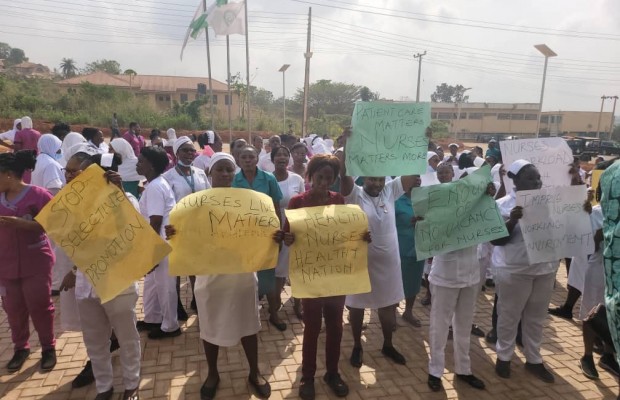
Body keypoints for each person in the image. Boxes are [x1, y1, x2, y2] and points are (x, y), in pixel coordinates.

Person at [165, 152, 272, 400]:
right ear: (210, 173)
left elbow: (260, 231)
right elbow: (186, 236)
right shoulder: (195, 204)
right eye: (220, 169)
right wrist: (174, 233)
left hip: (242, 275)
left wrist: (272, 237)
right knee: (209, 327)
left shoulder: (248, 202)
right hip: (210, 277)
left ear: (233, 174)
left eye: (228, 170)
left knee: (249, 326)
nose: (224, 174)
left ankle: (254, 372)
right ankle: (213, 373)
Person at [339, 127, 420, 368]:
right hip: (359, 265)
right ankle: (356, 345)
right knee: (356, 308)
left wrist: (418, 141)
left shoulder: (390, 191)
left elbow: (410, 171)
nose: (376, 183)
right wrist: (347, 146)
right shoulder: (354, 195)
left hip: (389, 266)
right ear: (364, 178)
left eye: (380, 179)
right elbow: (343, 175)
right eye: (373, 178)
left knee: (388, 308)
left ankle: (387, 344)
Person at [281, 154, 353, 400]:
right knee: (312, 326)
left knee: (335, 325)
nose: (324, 182)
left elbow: (345, 233)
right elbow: (287, 236)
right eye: (319, 177)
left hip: (334, 273)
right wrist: (287, 238)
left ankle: (332, 373)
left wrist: (361, 238)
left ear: (334, 180)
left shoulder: (339, 200)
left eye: (329, 178)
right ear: (310, 177)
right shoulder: (297, 202)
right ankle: (307, 377)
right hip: (309, 274)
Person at [70, 153, 142, 400]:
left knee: (127, 337)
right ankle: (104, 386)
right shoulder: (74, 203)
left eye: (84, 172)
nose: (78, 176)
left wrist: (119, 193)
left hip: (117, 280)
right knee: (95, 340)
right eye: (76, 172)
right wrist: (72, 271)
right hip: (86, 283)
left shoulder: (127, 198)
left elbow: (135, 230)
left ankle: (131, 385)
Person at [491, 160, 559, 383]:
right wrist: (512, 220)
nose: (537, 182)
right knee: (509, 315)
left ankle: (534, 359)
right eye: (530, 178)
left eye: (538, 177)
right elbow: (497, 240)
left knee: (536, 317)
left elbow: (566, 229)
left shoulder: (551, 203)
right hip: (513, 270)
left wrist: (580, 211)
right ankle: (504, 356)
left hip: (544, 269)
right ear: (515, 180)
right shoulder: (501, 205)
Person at [425, 178, 495, 392]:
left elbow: (490, 227)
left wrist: (488, 198)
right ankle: (435, 370)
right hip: (445, 276)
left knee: (464, 326)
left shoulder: (476, 212)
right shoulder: (440, 213)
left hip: (470, 276)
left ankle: (464, 369)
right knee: (440, 325)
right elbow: (431, 238)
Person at [0, 150, 57, 372]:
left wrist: (22, 224)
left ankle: (47, 347)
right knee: (13, 308)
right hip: (5, 264)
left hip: (36, 262)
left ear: (8, 175)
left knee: (40, 306)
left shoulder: (39, 195)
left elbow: (53, 223)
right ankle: (20, 348)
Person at [233, 145, 286, 331]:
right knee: (244, 276)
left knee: (268, 278)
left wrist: (278, 234)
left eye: (251, 156)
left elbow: (276, 206)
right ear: (238, 160)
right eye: (244, 157)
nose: (247, 160)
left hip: (265, 236)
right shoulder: (234, 180)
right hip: (243, 238)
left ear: (257, 159)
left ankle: (274, 314)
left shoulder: (269, 178)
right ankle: (245, 316)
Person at [136, 147, 181, 339]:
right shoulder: (154, 184)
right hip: (159, 240)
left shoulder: (155, 187)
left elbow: (155, 220)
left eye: (141, 160)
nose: (137, 163)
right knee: (153, 283)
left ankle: (171, 326)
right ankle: (153, 318)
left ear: (151, 165)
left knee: (165, 285)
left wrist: (151, 251)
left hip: (161, 242)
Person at [163, 136, 211, 317]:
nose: (190, 153)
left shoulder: (199, 173)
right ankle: (176, 305)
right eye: (185, 150)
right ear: (176, 153)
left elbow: (207, 198)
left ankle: (197, 299)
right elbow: (167, 204)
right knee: (176, 268)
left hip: (198, 228)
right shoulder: (168, 177)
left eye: (192, 150)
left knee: (196, 266)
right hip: (177, 229)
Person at [272, 146, 305, 320]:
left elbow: (303, 202)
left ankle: (298, 304)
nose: (282, 158)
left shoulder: (297, 179)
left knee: (297, 267)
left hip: (295, 227)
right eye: (278, 155)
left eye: (285, 155)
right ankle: (275, 303)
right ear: (273, 159)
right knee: (279, 269)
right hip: (276, 228)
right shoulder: (268, 179)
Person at [394, 174, 424, 327]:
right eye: (414, 177)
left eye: (419, 177)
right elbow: (388, 223)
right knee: (396, 282)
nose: (417, 179)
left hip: (419, 248)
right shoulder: (397, 200)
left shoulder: (425, 200)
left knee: (414, 282)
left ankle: (408, 311)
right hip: (401, 248)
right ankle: (391, 313)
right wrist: (408, 223)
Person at [13, 116, 41, 183]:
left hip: (23, 159)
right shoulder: (38, 133)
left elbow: (17, 148)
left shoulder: (19, 133)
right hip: (36, 158)